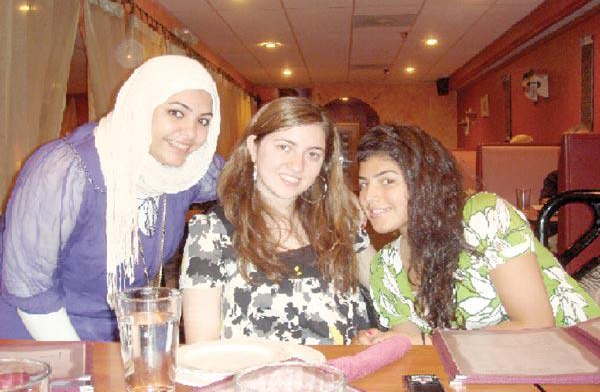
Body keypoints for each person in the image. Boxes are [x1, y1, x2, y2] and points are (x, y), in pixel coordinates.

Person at [0, 55, 223, 341]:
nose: (191, 133)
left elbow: (245, 179)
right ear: (141, 106)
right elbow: (29, 286)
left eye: (203, 121)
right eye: (176, 113)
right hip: (39, 334)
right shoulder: (66, 168)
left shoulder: (186, 173)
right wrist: (81, 363)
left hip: (121, 333)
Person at [354, 124, 600, 346]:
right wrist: (381, 344)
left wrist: (426, 342)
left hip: (576, 355)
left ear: (426, 181)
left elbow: (535, 325)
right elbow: (413, 346)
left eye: (387, 181)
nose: (368, 196)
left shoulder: (483, 216)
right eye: (363, 183)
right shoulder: (385, 269)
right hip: (492, 372)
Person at [180, 97, 373, 345]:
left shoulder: (340, 223)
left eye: (313, 154)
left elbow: (390, 292)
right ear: (253, 147)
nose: (297, 165)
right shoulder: (212, 234)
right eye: (284, 147)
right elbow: (203, 349)